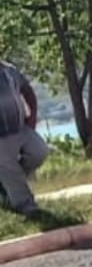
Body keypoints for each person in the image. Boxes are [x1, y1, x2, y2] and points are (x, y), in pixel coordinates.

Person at [0, 59, 49, 216]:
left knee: (39, 151)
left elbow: (27, 91)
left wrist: (32, 118)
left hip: (21, 128)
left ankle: (4, 184)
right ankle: (27, 208)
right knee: (8, 167)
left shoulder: (10, 70)